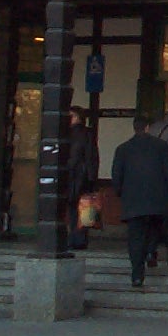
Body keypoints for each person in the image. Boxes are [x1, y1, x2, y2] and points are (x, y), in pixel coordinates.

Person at [111, 114, 168, 288]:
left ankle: (137, 274)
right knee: (154, 228)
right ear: (148, 128)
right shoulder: (160, 146)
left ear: (134, 128)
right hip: (157, 198)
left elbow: (116, 176)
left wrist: (120, 193)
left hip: (133, 200)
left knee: (135, 237)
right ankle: (150, 251)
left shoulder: (122, 149)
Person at [64, 106, 99, 250]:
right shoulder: (86, 134)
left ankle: (75, 237)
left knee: (75, 208)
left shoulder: (69, 134)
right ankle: (78, 237)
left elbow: (90, 157)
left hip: (74, 176)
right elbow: (92, 157)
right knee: (82, 209)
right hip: (81, 177)